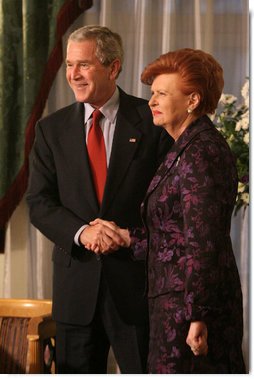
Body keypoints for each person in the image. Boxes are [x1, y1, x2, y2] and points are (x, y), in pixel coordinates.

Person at [89, 48, 246, 374]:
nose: (151, 102)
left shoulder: (201, 151)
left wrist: (198, 315)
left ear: (192, 100)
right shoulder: (186, 146)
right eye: (151, 93)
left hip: (188, 315)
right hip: (174, 307)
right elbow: (175, 238)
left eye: (161, 93)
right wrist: (127, 237)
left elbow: (204, 243)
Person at [26, 25, 172, 374]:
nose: (73, 75)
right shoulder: (51, 129)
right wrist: (83, 232)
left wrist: (124, 234)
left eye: (84, 65)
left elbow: (169, 201)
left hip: (138, 289)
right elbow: (39, 202)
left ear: (113, 67)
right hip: (76, 289)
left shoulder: (153, 122)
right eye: (69, 65)